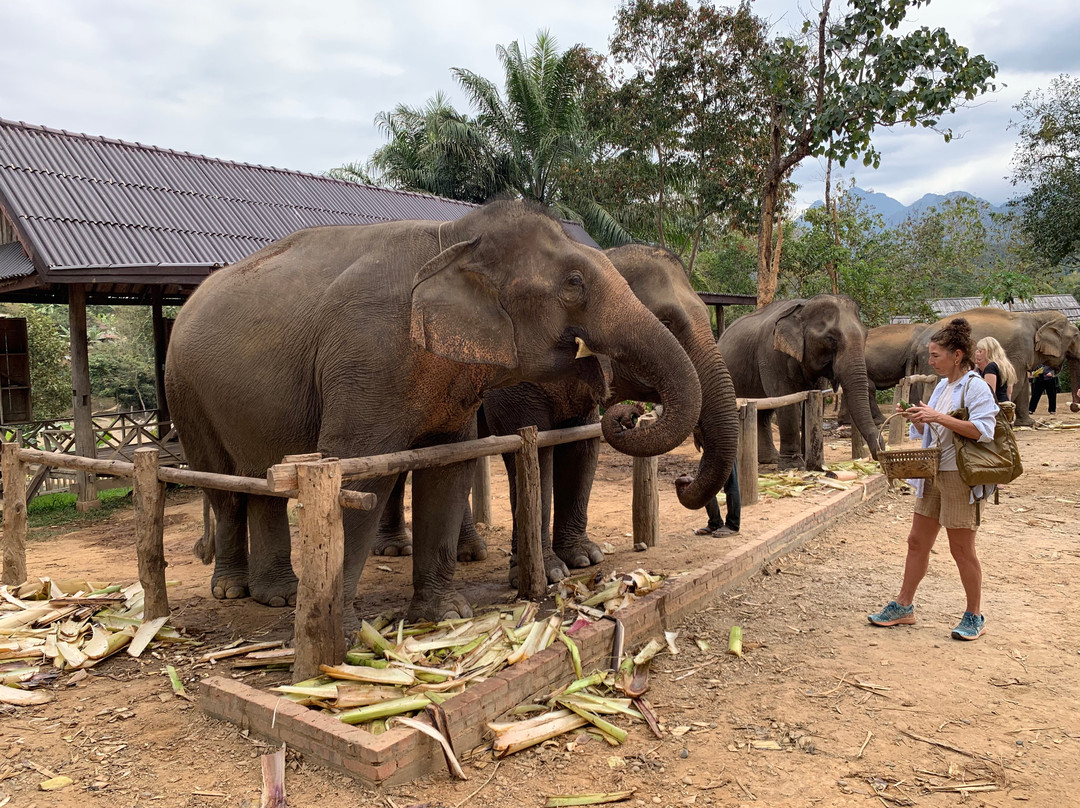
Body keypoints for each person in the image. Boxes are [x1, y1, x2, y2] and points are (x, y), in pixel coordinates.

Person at [868, 318, 998, 641]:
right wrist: (920, 419)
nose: (930, 360)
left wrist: (937, 416)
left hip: (960, 476)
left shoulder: (975, 386)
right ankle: (904, 605)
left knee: (961, 548)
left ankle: (974, 614)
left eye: (936, 355)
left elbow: (984, 430)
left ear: (957, 356)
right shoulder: (941, 387)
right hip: (933, 473)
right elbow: (934, 432)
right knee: (917, 541)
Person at [694, 465, 740, 537]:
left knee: (731, 482)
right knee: (705, 483)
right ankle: (715, 523)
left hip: (726, 457)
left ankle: (732, 525)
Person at [973, 336, 1015, 403]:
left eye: (980, 351)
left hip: (995, 405)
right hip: (1004, 403)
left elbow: (990, 393)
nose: (977, 353)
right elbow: (1009, 393)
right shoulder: (1005, 366)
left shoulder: (990, 367)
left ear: (988, 352)